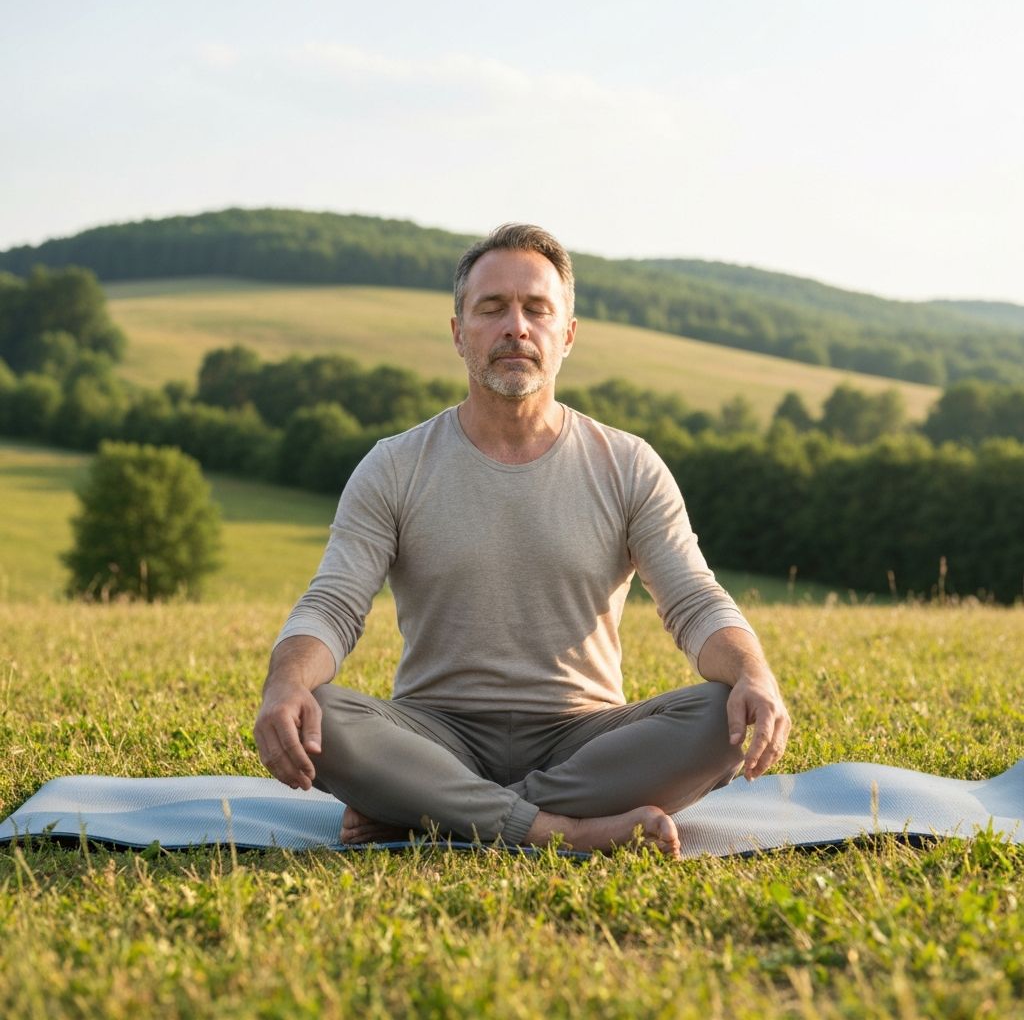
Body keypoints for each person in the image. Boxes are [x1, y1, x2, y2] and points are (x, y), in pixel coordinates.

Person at [254, 223, 791, 857]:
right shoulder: (394, 465)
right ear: (459, 333)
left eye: (537, 309)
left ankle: (434, 808)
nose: (516, 327)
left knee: (722, 717)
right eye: (491, 309)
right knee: (322, 714)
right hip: (434, 734)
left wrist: (755, 675)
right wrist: (284, 685)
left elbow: (694, 601)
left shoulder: (629, 464)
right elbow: (335, 604)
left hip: (586, 738)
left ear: (567, 333)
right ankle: (554, 829)